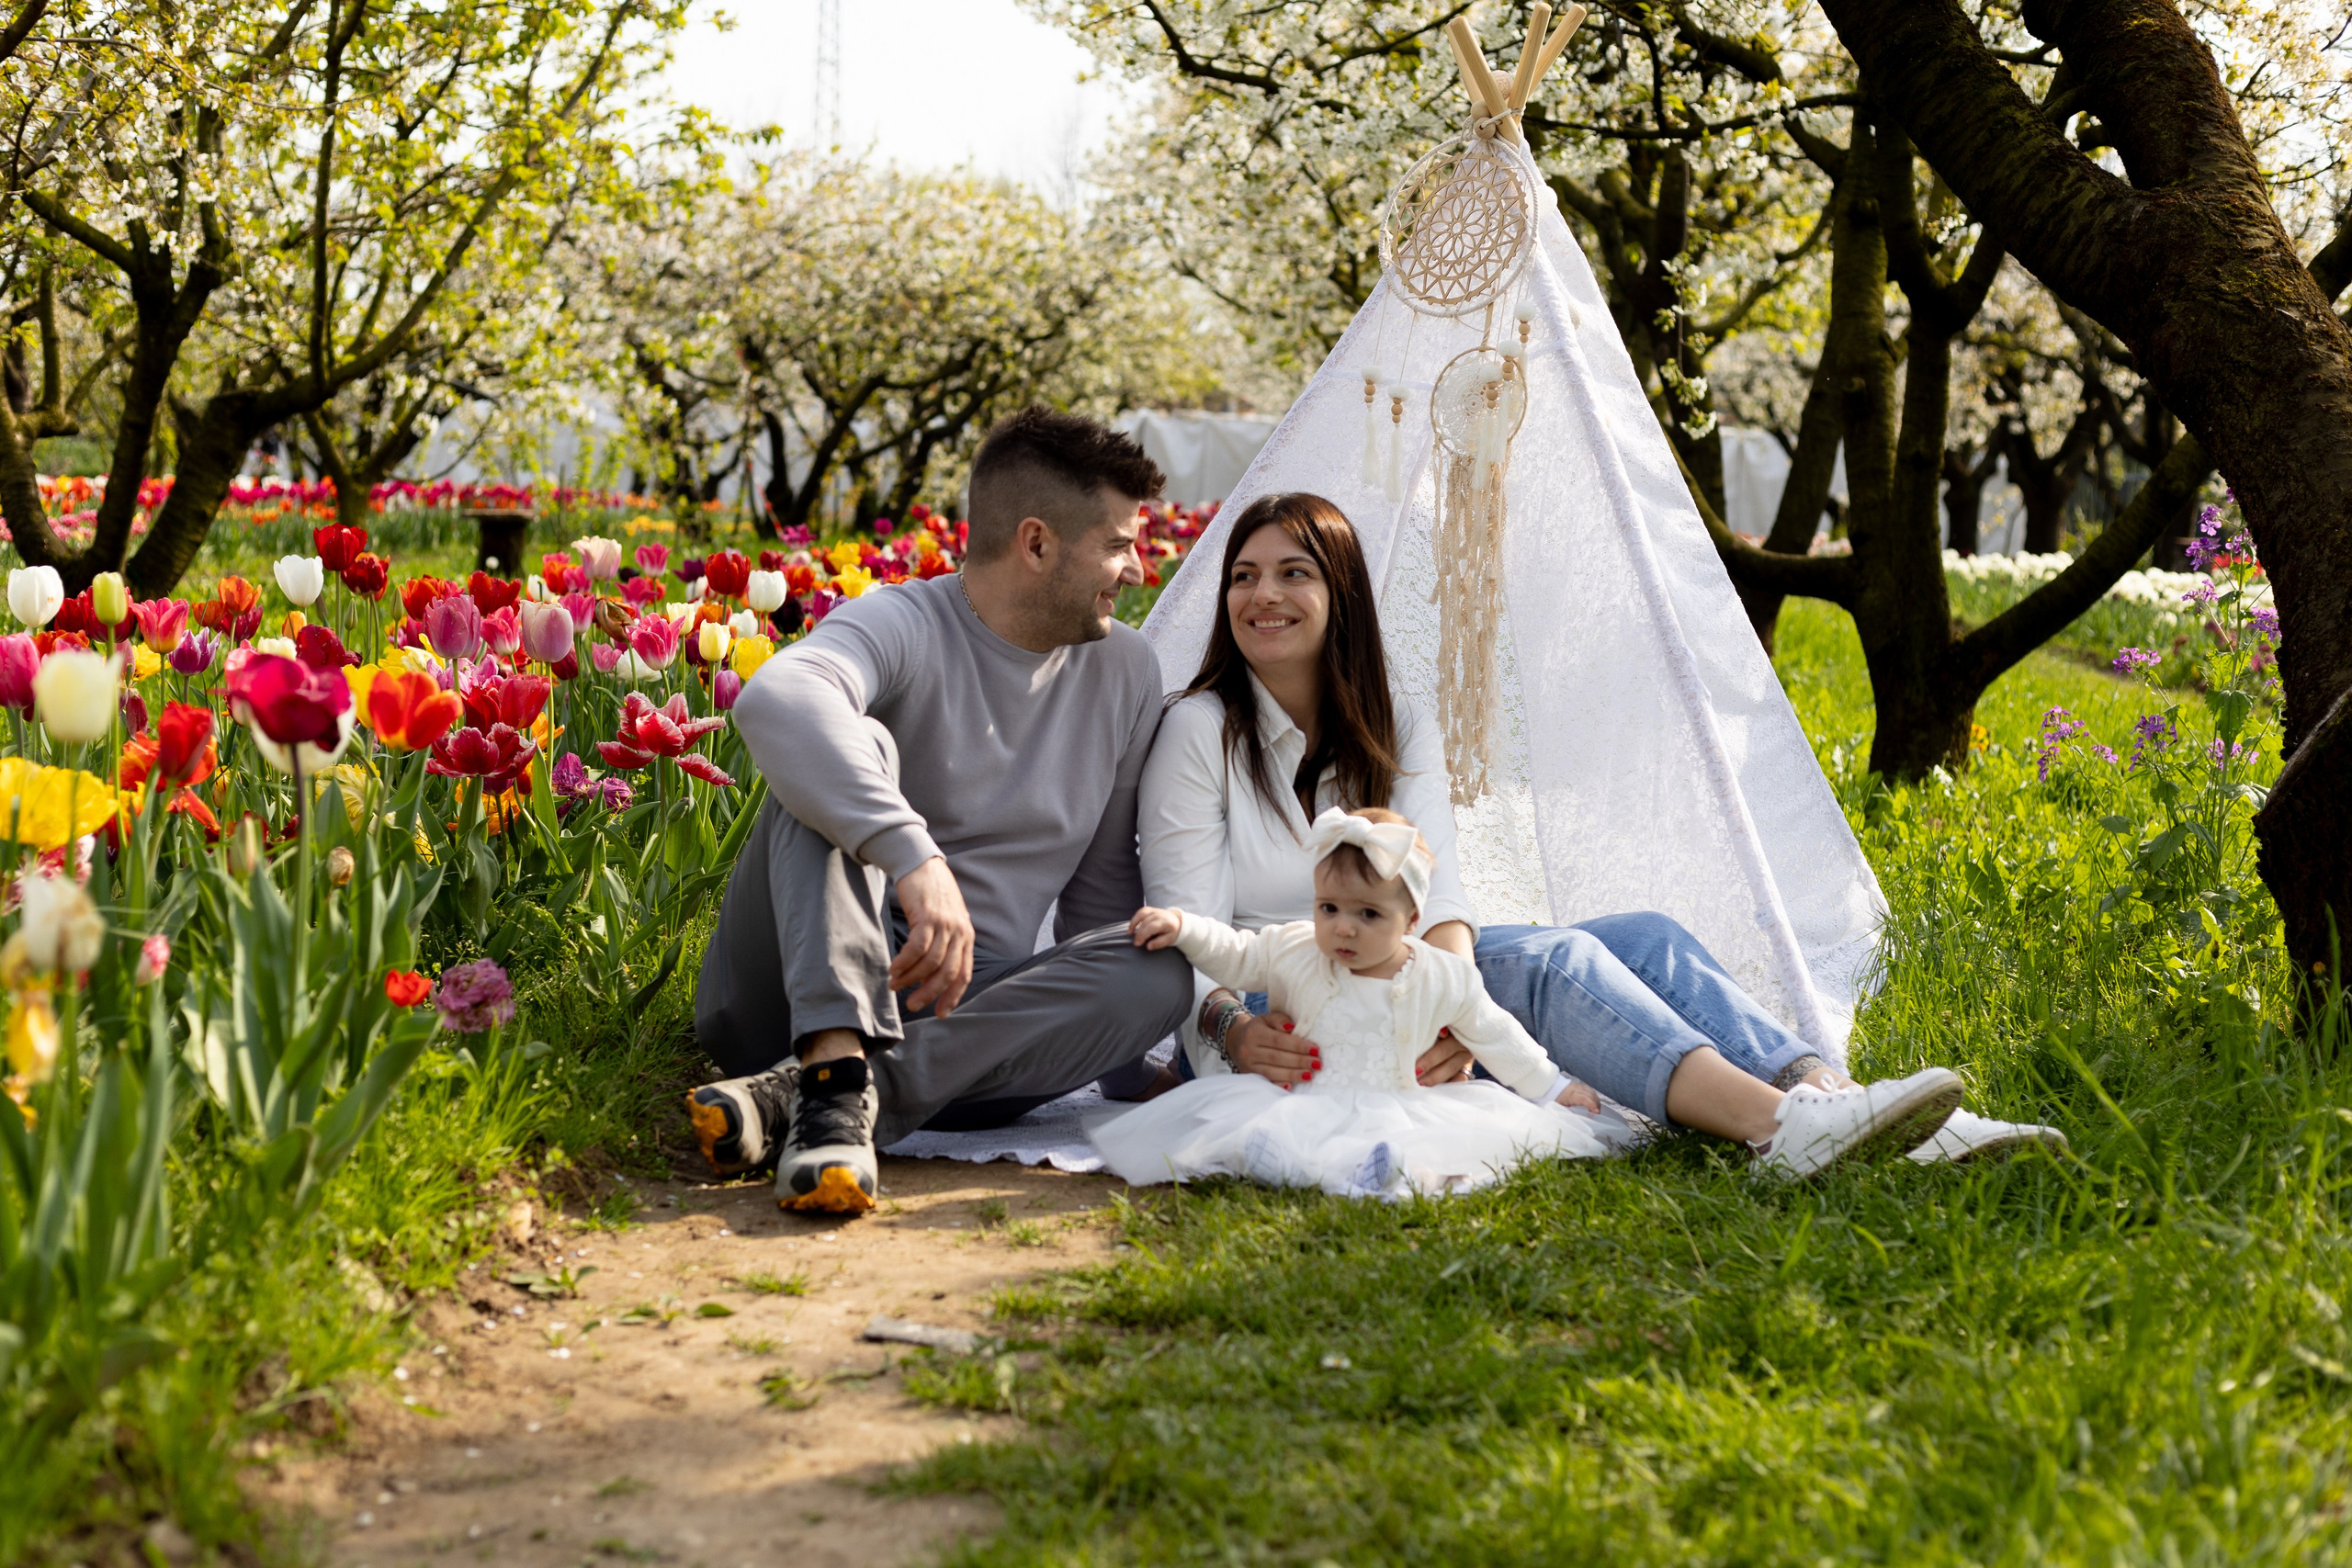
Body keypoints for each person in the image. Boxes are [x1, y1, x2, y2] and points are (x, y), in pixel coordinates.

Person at [1141, 491, 2067, 1171]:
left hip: (1402, 982)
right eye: (1244, 576)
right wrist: (1227, 1030)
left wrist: (1453, 1000)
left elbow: (1443, 893)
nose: (1262, 595)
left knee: (1645, 939)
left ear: (1340, 593)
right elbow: (1182, 931)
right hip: (1290, 1005)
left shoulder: (1394, 721)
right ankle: (1776, 1132)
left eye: (1293, 573)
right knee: (1549, 961)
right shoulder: (1199, 730)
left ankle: (1842, 1103)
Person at [690, 407, 1194, 1214]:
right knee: (851, 749)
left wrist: (1125, 1057)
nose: (1134, 569)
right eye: (1118, 544)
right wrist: (914, 857)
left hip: (967, 1027)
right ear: (1037, 543)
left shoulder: (1127, 671)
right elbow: (778, 696)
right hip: (783, 993)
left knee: (1159, 964)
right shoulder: (906, 621)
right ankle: (826, 1052)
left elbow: (1100, 896)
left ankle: (827, 1093)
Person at [1092, 807, 1632, 1195]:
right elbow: (1235, 953)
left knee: (1419, 1143)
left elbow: (1496, 1035)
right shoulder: (1296, 948)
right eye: (1329, 907)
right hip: (1304, 1100)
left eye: (1368, 914)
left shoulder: (1440, 977)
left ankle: (1380, 1171)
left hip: (1395, 1100)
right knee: (1266, 1131)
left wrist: (1553, 1087)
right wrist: (1184, 926)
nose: (1342, 929)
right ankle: (1274, 1159)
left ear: (1412, 921)